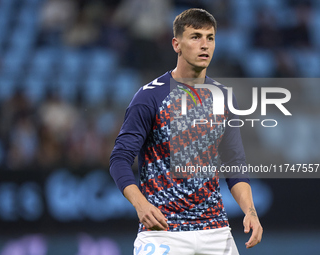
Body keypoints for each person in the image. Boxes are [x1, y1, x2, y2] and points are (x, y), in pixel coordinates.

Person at [110, 8, 263, 255]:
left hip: (215, 232)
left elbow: (235, 164)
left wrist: (250, 212)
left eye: (210, 38)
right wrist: (141, 206)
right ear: (176, 44)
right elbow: (119, 159)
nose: (205, 45)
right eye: (195, 37)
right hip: (163, 232)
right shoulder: (150, 97)